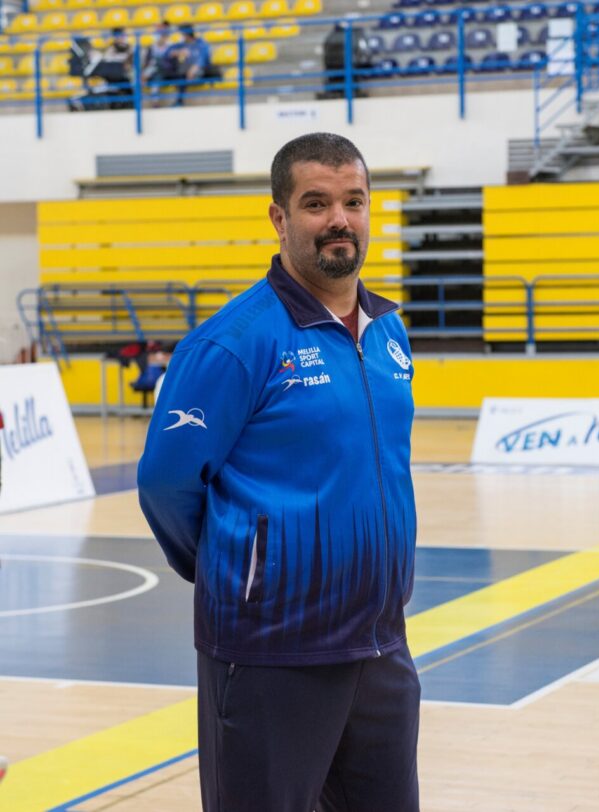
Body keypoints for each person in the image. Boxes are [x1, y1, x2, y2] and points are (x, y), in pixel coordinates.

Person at [137, 132, 420, 812]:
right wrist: (240, 569)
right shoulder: (233, 343)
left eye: (354, 201)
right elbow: (166, 484)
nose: (339, 220)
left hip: (380, 647)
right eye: (316, 203)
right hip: (270, 652)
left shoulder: (388, 331)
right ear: (279, 217)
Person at [164, 24, 216, 106]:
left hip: (200, 71)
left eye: (182, 34)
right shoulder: (181, 45)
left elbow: (203, 58)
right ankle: (179, 101)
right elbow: (167, 53)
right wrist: (177, 52)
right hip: (185, 73)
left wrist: (195, 67)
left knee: (196, 73)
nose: (181, 36)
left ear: (186, 34)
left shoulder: (201, 44)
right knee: (178, 74)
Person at [319, 22, 372, 99]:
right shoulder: (333, 37)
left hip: (345, 67)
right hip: (339, 67)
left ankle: (348, 93)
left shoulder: (333, 36)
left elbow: (361, 52)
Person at [141, 21, 173, 104]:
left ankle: (145, 76)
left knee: (157, 63)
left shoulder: (170, 45)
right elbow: (148, 60)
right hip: (156, 71)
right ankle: (154, 101)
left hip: (166, 69)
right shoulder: (152, 46)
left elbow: (170, 60)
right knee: (156, 76)